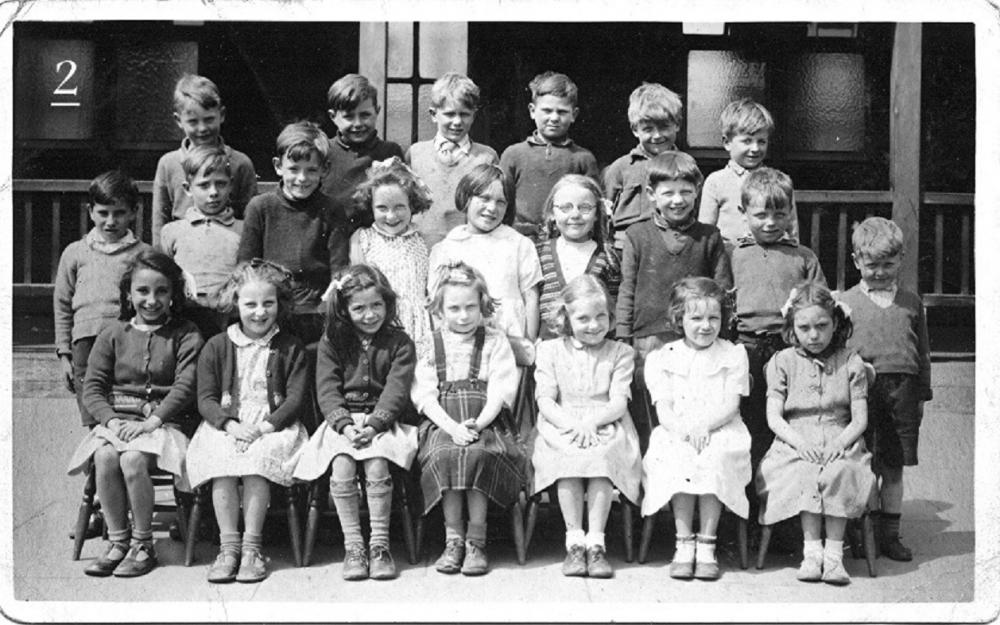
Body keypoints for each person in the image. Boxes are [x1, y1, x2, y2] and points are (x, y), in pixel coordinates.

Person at [66, 249, 204, 578]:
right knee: (105, 456)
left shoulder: (186, 335)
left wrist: (151, 421)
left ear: (174, 294)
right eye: (142, 291)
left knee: (132, 460)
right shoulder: (113, 334)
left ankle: (144, 544)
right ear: (129, 293)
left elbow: (185, 387)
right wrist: (112, 421)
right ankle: (118, 540)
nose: (152, 300)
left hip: (165, 423)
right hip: (119, 421)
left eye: (162, 291)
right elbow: (94, 388)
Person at [185, 260, 310, 583]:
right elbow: (206, 399)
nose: (259, 312)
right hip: (227, 425)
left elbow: (295, 399)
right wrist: (231, 426)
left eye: (268, 303)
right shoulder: (217, 346)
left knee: (256, 464)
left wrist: (262, 428)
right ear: (234, 303)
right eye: (250, 304)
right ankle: (228, 548)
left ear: (279, 305)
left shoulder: (290, 346)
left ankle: (252, 547)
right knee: (222, 466)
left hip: (273, 426)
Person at [293, 265, 418, 581]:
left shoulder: (400, 342)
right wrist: (346, 426)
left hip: (383, 422)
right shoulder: (332, 342)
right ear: (344, 310)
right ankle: (354, 546)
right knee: (342, 467)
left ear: (387, 304)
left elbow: (396, 390)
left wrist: (375, 425)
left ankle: (379, 544)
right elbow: (327, 389)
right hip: (343, 424)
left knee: (377, 466)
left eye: (377, 305)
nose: (370, 315)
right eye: (359, 308)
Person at [756, 281, 876, 586]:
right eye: (804, 327)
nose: (813, 335)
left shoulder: (851, 361)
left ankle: (834, 557)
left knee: (841, 471)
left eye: (822, 326)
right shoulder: (782, 362)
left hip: (841, 436)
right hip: (794, 439)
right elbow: (774, 416)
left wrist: (841, 442)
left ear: (835, 323)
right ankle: (812, 553)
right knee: (806, 472)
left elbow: (860, 419)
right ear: (792, 327)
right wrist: (798, 442)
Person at [411, 262, 526, 576]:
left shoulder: (494, 340)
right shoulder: (430, 343)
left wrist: (479, 424)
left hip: (486, 422)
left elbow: (501, 391)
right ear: (439, 309)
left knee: (478, 455)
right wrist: (451, 427)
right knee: (446, 455)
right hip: (442, 423)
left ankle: (477, 540)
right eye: (454, 308)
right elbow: (424, 395)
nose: (463, 316)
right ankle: (454, 539)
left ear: (483, 306)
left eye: (470, 307)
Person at [615, 151, 731, 450]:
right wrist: (624, 339)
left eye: (686, 192)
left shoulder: (709, 236)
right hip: (648, 338)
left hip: (697, 341)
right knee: (651, 413)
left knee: (692, 411)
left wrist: (725, 339)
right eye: (668, 193)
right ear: (652, 194)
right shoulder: (637, 234)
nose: (677, 200)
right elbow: (627, 288)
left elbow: (722, 291)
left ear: (698, 192)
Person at [640, 277, 751, 581]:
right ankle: (683, 540)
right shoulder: (663, 357)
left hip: (722, 427)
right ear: (679, 318)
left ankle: (707, 542)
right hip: (677, 428)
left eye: (713, 318)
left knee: (714, 458)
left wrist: (706, 425)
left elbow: (731, 405)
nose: (706, 326)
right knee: (679, 458)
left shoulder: (733, 354)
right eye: (696, 318)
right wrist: (687, 430)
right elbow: (663, 410)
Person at [531, 275, 640, 578]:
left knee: (602, 456)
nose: (593, 325)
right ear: (565, 317)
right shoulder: (550, 351)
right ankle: (574, 542)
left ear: (611, 316)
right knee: (568, 456)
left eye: (601, 316)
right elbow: (545, 399)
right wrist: (573, 425)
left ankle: (597, 543)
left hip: (606, 420)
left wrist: (592, 422)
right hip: (561, 422)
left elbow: (619, 401)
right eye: (583, 318)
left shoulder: (620, 353)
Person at [837, 217, 932, 562]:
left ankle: (889, 536)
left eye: (887, 264)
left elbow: (922, 352)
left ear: (901, 259)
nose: (879, 272)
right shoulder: (846, 304)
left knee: (892, 467)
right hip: (862, 394)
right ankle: (864, 533)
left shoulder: (911, 302)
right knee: (863, 465)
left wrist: (922, 395)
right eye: (871, 264)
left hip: (903, 393)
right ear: (856, 261)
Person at [731, 167, 826, 473]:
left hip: (790, 350)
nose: (770, 223)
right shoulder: (734, 254)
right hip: (746, 347)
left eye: (779, 214)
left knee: (788, 421)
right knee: (748, 422)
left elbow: (820, 303)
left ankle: (785, 500)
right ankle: (748, 503)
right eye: (761, 215)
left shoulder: (803, 257)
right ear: (743, 211)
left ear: (790, 213)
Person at [237, 120, 350, 346]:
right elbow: (246, 266)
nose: (302, 178)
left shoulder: (332, 210)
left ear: (324, 170)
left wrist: (328, 308)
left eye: (311, 170)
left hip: (316, 312)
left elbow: (339, 270)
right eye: (294, 169)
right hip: (271, 309)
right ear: (278, 166)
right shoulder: (260, 207)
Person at [54, 170, 150, 428]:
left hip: (127, 341)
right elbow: (63, 304)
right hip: (85, 343)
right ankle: (97, 466)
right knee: (94, 414)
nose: (110, 221)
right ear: (90, 211)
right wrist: (64, 355)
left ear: (133, 212)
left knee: (125, 411)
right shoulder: (75, 253)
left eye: (119, 213)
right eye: (103, 212)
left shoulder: (143, 254)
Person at [427, 163, 542, 353]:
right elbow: (436, 304)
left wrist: (528, 344)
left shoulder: (519, 244)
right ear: (466, 198)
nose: (492, 208)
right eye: (484, 198)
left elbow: (531, 297)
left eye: (501, 202)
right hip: (461, 345)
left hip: (511, 342)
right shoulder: (446, 248)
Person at [151, 73, 257, 247]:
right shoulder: (168, 164)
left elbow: (250, 221)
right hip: (182, 252)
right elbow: (159, 223)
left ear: (221, 115)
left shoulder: (240, 163)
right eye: (193, 122)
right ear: (178, 120)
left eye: (209, 120)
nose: (202, 128)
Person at [348, 157, 433, 358]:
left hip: (417, 327)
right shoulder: (363, 239)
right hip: (378, 324)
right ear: (371, 206)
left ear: (412, 205)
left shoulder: (423, 241)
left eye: (399, 207)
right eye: (382, 208)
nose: (391, 216)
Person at [499, 71, 599, 242]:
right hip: (519, 240)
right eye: (546, 110)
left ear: (574, 114)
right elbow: (501, 201)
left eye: (561, 112)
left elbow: (593, 207)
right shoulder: (513, 154)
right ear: (532, 111)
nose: (554, 118)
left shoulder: (582, 158)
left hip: (566, 241)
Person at [406, 72, 499, 249]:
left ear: (474, 115)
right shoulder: (416, 154)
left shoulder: (486, 157)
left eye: (464, 114)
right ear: (434, 114)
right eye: (449, 114)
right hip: (421, 246)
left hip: (469, 247)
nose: (457, 122)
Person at [160, 144, 243, 338]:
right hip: (184, 321)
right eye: (204, 185)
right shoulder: (173, 231)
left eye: (221, 184)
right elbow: (163, 276)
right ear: (188, 189)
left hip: (230, 320)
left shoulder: (243, 229)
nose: (213, 192)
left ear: (230, 184)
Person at [698, 98, 798, 246]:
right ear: (727, 143)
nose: (755, 148)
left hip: (771, 259)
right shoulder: (716, 182)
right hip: (729, 260)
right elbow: (705, 233)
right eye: (747, 141)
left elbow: (792, 231)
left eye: (761, 141)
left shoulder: (779, 181)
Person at [535, 174, 620, 341]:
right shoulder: (538, 253)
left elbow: (613, 312)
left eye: (585, 207)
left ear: (597, 213)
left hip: (596, 351)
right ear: (552, 212)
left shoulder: (608, 258)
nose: (575, 214)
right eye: (566, 207)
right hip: (549, 351)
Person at [603, 82, 684, 252]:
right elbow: (605, 214)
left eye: (664, 127)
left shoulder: (686, 165)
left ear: (677, 124)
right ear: (635, 129)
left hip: (672, 246)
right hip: (626, 247)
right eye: (648, 129)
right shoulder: (621, 168)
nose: (657, 136)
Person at [321, 73, 405, 232]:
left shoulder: (390, 152)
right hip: (332, 240)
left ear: (377, 111)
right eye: (349, 117)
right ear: (333, 117)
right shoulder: (324, 152)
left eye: (365, 115)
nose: (357, 124)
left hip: (377, 241)